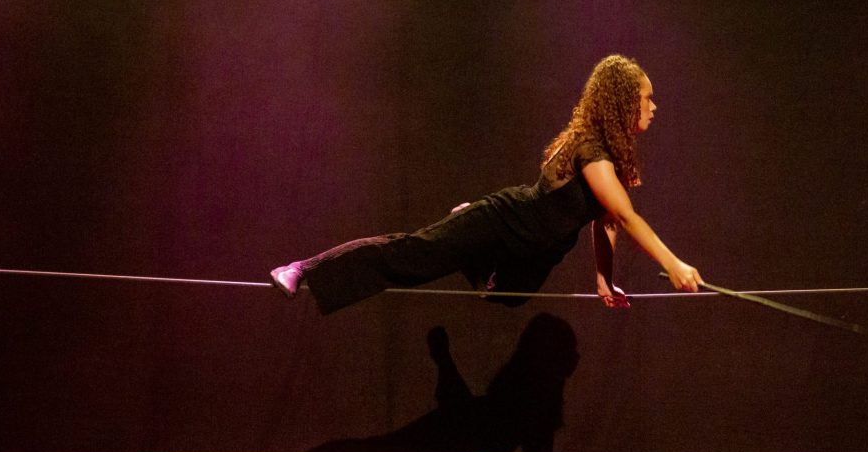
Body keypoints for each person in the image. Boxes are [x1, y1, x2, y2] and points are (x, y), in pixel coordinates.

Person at [270, 54, 703, 313]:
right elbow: (627, 217)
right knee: (414, 256)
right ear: (624, 101)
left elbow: (606, 219)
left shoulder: (614, 158)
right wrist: (674, 263)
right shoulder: (590, 150)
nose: (654, 106)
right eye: (647, 97)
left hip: (535, 255)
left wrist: (604, 279)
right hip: (504, 223)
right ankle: (303, 269)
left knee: (505, 299)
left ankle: (471, 244)